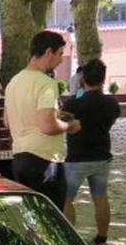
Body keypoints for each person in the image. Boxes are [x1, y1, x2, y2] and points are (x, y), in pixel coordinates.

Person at [4, 31, 81, 211]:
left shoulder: (13, 82)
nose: (61, 60)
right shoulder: (45, 83)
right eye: (60, 54)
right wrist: (70, 126)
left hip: (19, 158)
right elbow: (47, 126)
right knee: (51, 220)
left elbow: (7, 121)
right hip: (44, 160)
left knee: (31, 218)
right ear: (48, 52)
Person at [61, 59, 120, 245]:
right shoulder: (111, 103)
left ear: (82, 78)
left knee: (66, 199)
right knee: (100, 197)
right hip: (102, 154)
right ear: (103, 79)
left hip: (77, 157)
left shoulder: (73, 104)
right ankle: (102, 237)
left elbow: (63, 120)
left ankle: (70, 239)